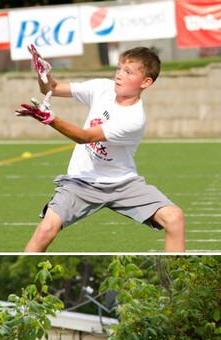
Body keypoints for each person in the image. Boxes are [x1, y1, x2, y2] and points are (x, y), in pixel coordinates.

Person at [17, 45, 185, 253]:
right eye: (119, 68)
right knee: (45, 229)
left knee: (174, 218)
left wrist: (51, 119)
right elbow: (52, 88)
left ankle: (172, 274)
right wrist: (43, 74)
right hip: (81, 181)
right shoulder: (102, 88)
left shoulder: (134, 119)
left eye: (128, 72)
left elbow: (84, 137)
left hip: (123, 184)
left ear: (146, 82)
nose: (119, 75)